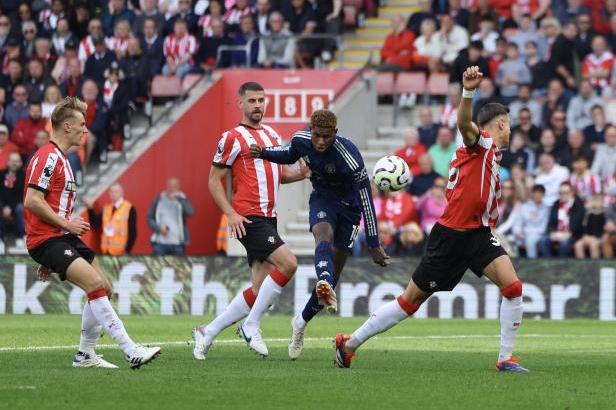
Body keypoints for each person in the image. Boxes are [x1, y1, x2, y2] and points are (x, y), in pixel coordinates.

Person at [334, 66, 529, 373]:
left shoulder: (489, 153)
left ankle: (505, 359)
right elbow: (465, 122)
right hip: (451, 237)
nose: (511, 130)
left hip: (479, 234)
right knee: (410, 302)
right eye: (510, 125)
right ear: (501, 123)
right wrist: (468, 92)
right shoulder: (480, 143)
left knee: (513, 288)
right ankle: (349, 344)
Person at [24, 97, 160, 368]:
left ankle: (85, 354)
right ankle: (130, 349)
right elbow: (31, 200)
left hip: (59, 237)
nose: (86, 130)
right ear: (66, 127)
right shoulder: (48, 158)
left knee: (104, 288)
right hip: (49, 238)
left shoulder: (62, 159)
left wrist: (57, 240)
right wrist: (64, 227)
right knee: (95, 285)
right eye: (82, 125)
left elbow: (47, 204)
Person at [250, 108, 388, 360]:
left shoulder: (350, 157)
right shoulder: (302, 140)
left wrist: (373, 242)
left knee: (334, 273)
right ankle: (323, 280)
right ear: (311, 132)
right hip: (323, 199)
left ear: (335, 133)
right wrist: (264, 153)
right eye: (317, 136)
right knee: (322, 235)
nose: (321, 141)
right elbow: (288, 153)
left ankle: (300, 323)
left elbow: (366, 198)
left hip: (350, 209)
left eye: (326, 136)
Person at [193, 82, 305, 359]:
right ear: (240, 103)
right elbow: (214, 181)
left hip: (270, 216)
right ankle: (251, 325)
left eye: (261, 100)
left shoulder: (271, 134)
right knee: (289, 263)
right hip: (248, 217)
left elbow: (279, 175)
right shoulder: (232, 137)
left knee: (259, 290)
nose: (258, 105)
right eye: (252, 100)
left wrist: (303, 173)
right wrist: (230, 213)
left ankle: (208, 331)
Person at [147, 177, 194, 256]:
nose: (172, 188)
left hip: (177, 243)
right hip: (160, 243)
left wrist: (180, 199)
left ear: (178, 187)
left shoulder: (182, 199)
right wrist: (159, 229)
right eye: (170, 185)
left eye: (174, 186)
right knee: (157, 266)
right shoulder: (159, 199)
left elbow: (191, 213)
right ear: (167, 186)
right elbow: (149, 218)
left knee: (178, 267)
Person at [87, 183, 136, 256]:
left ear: (122, 193)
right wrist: (90, 209)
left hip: (121, 252)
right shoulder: (106, 208)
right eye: (112, 192)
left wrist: (127, 250)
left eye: (116, 191)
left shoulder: (129, 208)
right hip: (105, 251)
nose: (114, 194)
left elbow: (132, 232)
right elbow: (95, 224)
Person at [538, 182, 585, 257]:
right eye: (560, 193)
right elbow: (551, 222)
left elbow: (578, 223)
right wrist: (552, 232)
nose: (563, 195)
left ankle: (561, 266)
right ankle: (548, 264)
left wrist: (570, 233)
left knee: (564, 244)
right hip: (557, 233)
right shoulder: (556, 204)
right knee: (543, 241)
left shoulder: (578, 205)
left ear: (572, 193)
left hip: (572, 234)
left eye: (565, 192)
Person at [513, 184, 549, 258]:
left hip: (538, 234)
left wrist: (526, 231)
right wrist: (517, 232)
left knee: (530, 241)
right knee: (511, 239)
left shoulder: (546, 208)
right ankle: (514, 264)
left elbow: (543, 228)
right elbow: (518, 222)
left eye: (540, 193)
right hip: (523, 234)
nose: (538, 195)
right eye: (536, 193)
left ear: (543, 195)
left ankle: (531, 265)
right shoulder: (525, 206)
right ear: (532, 194)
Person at [0, 152, 25, 246]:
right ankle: (0, 238)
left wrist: (9, 207)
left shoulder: (24, 176)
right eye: (12, 161)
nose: (14, 163)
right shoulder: (1, 174)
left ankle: (21, 236)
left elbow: (21, 196)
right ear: (8, 162)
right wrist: (5, 206)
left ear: (21, 163)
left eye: (17, 161)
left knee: (20, 208)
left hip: (17, 205)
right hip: (2, 204)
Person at [574, 194, 605, 259]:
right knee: (578, 245)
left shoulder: (604, 214)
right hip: (588, 237)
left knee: (593, 244)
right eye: (596, 200)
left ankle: (594, 266)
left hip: (600, 238)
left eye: (599, 201)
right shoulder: (588, 215)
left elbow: (603, 230)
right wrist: (586, 236)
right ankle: (581, 266)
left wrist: (595, 238)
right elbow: (585, 228)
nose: (597, 202)